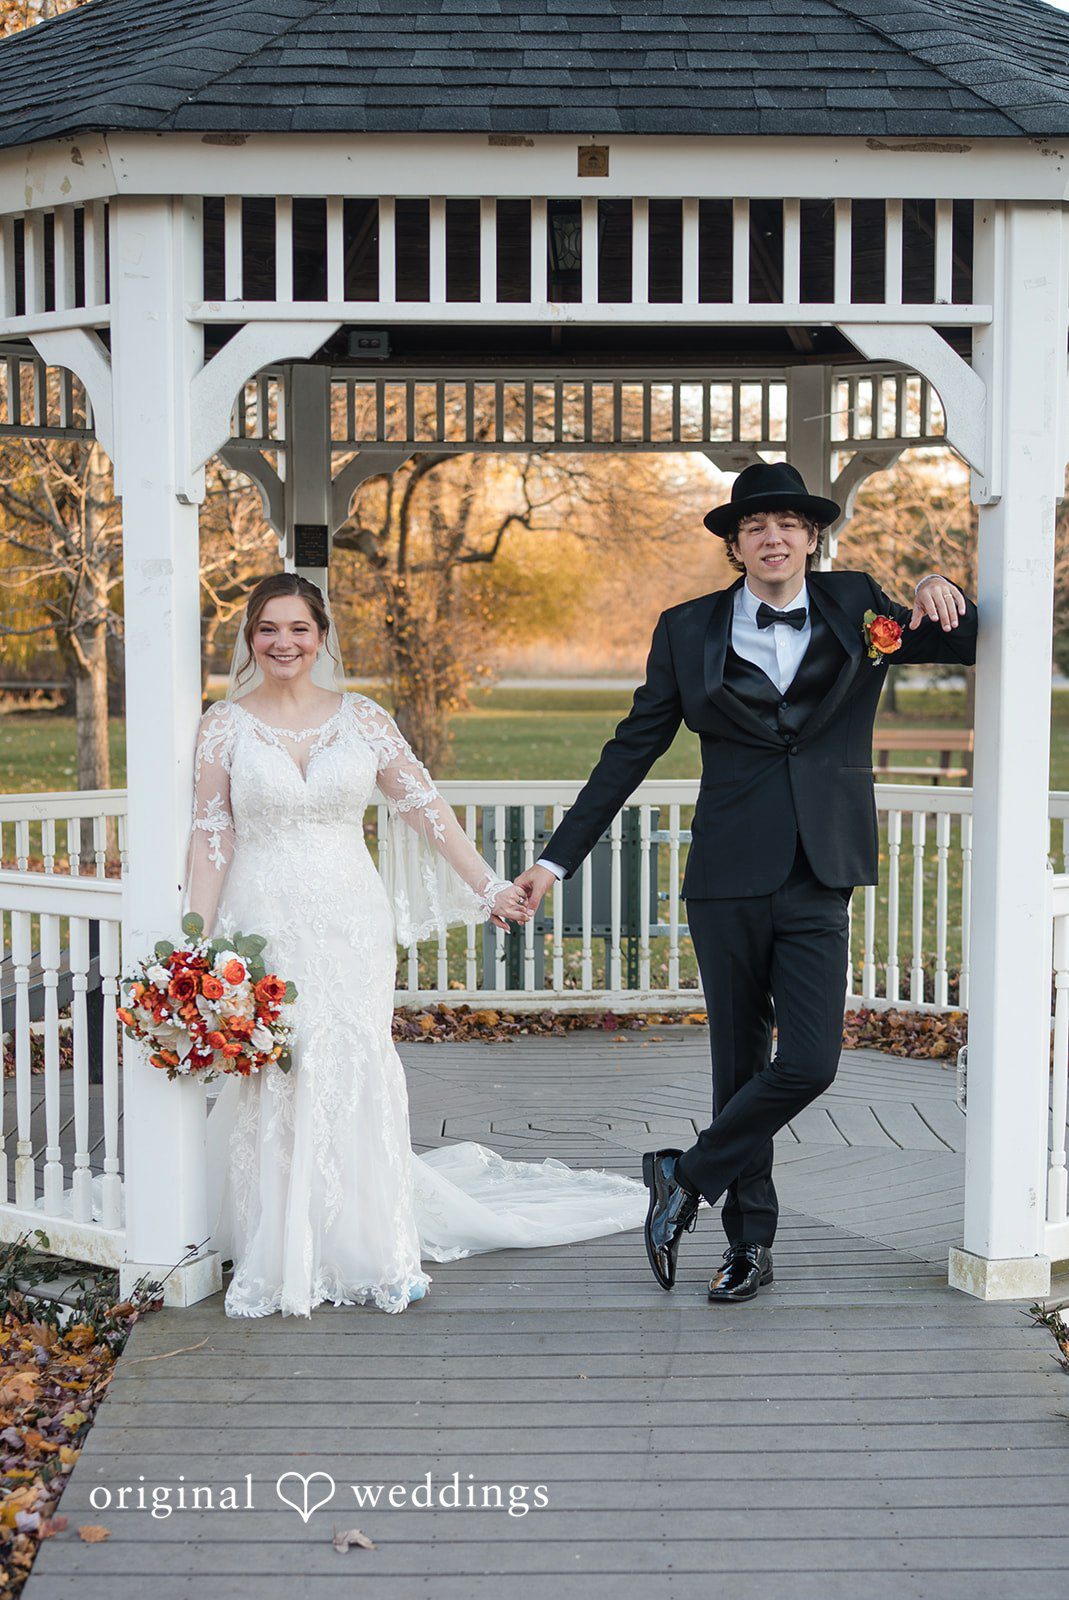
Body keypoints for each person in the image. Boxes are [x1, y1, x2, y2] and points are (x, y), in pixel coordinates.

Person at [514, 461, 978, 1304]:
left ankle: (682, 1177)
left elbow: (963, 637)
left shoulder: (859, 605)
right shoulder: (685, 629)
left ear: (810, 538)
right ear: (734, 544)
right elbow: (632, 747)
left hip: (818, 871)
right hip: (726, 875)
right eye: (755, 526)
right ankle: (747, 1247)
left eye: (789, 525)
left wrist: (936, 580)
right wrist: (553, 861)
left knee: (808, 1060)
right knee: (738, 1065)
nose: (772, 538)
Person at [185, 571, 647, 1318]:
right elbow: (211, 838)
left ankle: (370, 1244)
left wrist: (489, 887)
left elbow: (426, 810)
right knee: (277, 1065)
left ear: (321, 636)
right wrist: (192, 947)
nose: (283, 643)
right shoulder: (224, 725)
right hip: (261, 918)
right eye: (268, 629)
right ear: (249, 637)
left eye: (298, 628)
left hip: (349, 919)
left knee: (352, 1059)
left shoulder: (362, 719)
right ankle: (277, 1241)